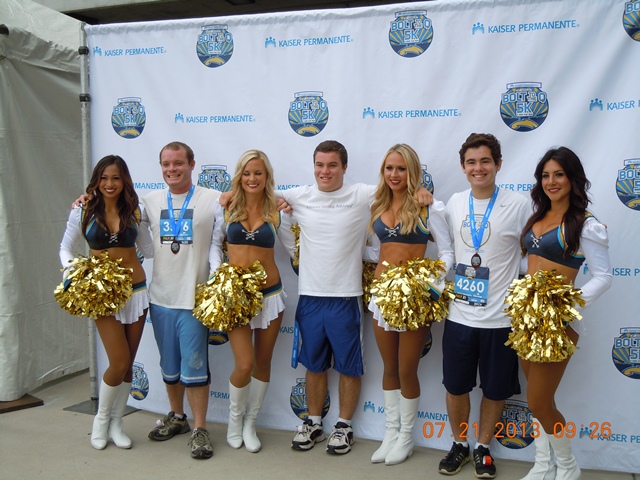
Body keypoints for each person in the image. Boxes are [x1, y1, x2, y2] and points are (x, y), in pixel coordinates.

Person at [275, 140, 431, 455]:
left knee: (349, 366)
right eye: (320, 165)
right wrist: (228, 195)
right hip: (310, 295)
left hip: (347, 296)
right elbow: (259, 189)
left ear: (344, 167)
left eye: (332, 165)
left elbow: (397, 187)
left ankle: (344, 426)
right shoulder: (300, 195)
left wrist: (423, 192)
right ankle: (313, 422)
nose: (325, 171)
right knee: (314, 364)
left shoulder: (363, 194)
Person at [438, 133, 530, 478]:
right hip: (460, 316)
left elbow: (535, 249)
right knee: (455, 386)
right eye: (471, 162)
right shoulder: (454, 203)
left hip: (500, 319)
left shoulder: (519, 205)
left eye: (485, 161)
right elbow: (444, 244)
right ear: (463, 167)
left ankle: (483, 447)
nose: (479, 168)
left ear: (498, 164)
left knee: (495, 389)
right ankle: (460, 444)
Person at [516, 147, 611, 480]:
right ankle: (543, 464)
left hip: (557, 324)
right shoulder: (536, 218)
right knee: (536, 398)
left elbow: (603, 277)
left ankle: (569, 465)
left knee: (539, 401)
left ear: (573, 179)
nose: (551, 181)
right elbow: (529, 265)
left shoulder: (585, 224)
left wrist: (567, 304)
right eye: (545, 175)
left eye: (559, 174)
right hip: (527, 320)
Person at [368, 144, 454, 465]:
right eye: (389, 168)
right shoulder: (376, 203)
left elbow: (447, 253)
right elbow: (376, 250)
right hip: (381, 295)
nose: (394, 174)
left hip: (414, 298)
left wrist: (428, 283)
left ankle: (406, 437)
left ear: (412, 171)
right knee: (389, 368)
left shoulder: (429, 207)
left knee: (407, 369)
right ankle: (390, 434)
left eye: (401, 168)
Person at [60, 155, 152, 450]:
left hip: (136, 292)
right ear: (96, 180)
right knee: (119, 361)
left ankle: (117, 423)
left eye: (115, 178)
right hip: (102, 295)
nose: (109, 184)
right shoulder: (83, 209)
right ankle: (101, 421)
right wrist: (74, 273)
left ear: (124, 180)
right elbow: (65, 248)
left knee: (128, 365)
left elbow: (149, 249)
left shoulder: (136, 209)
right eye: (103, 178)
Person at [141, 141, 220, 459]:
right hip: (161, 298)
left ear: (192, 164)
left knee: (195, 367)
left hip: (194, 300)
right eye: (166, 164)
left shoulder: (213, 198)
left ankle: (200, 429)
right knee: (169, 366)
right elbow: (117, 211)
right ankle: (178, 417)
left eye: (178, 163)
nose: (171, 169)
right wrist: (84, 201)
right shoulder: (149, 201)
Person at [208, 150, 286, 453]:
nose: (252, 178)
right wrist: (218, 274)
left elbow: (295, 248)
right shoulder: (226, 206)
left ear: (267, 177)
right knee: (244, 364)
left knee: (262, 363)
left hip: (270, 295)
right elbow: (215, 244)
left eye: (258, 173)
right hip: (236, 296)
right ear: (239, 176)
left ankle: (250, 424)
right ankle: (234, 422)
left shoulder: (278, 208)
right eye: (247, 173)